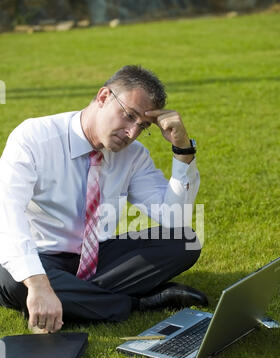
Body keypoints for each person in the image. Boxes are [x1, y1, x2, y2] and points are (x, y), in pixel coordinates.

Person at [0, 65, 207, 334]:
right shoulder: (35, 138)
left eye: (142, 126)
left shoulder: (134, 155)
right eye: (129, 116)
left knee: (185, 242)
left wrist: (182, 151)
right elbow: (6, 214)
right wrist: (38, 283)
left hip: (97, 256)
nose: (132, 133)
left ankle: (74, 297)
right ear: (103, 97)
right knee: (13, 280)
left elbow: (173, 217)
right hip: (40, 256)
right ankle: (140, 302)